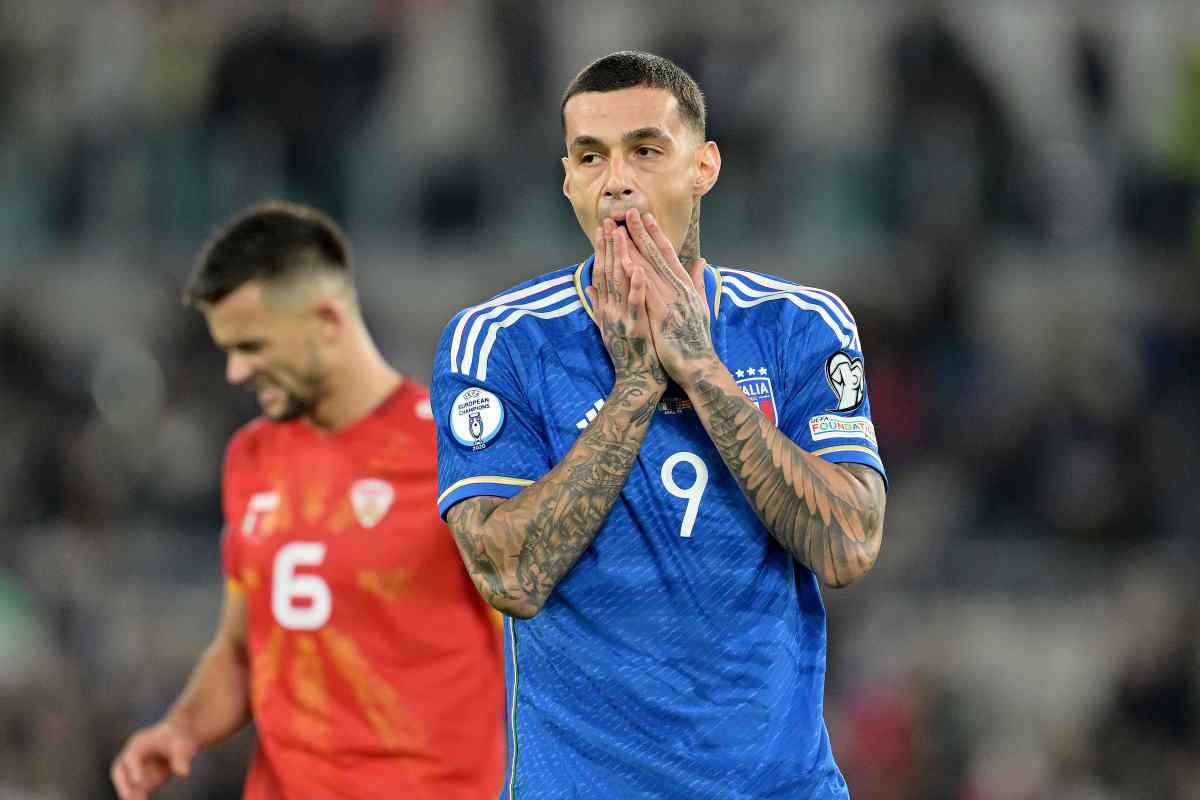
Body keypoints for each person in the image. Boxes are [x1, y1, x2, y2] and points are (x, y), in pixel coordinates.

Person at [431, 51, 888, 798]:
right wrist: (639, 384)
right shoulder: (499, 342)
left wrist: (700, 368)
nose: (616, 180)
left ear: (704, 167)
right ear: (568, 181)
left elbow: (849, 545)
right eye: (591, 157)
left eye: (645, 150)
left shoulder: (799, 325)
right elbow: (508, 575)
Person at [111, 202, 506, 799]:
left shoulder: (456, 450)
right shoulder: (251, 456)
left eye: (252, 346)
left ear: (326, 319)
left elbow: (533, 649)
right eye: (227, 349)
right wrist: (182, 730)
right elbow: (243, 649)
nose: (235, 372)